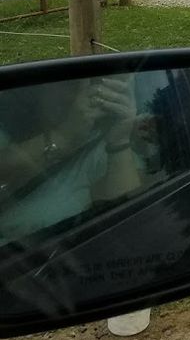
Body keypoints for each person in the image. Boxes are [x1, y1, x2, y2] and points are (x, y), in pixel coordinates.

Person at [0, 73, 142, 245]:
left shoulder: (104, 152)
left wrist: (119, 140)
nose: (77, 98)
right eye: (69, 84)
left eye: (93, 87)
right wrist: (62, 137)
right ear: (39, 87)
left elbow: (129, 230)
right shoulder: (7, 123)